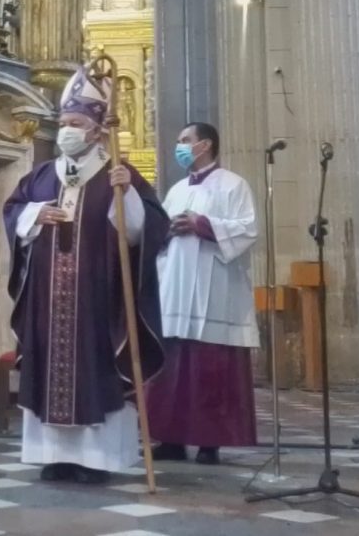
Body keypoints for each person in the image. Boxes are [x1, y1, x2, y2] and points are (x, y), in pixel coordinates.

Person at [4, 68, 168, 484]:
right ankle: (54, 456)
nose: (66, 132)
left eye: (75, 125)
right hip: (48, 296)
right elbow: (12, 211)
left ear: (97, 131)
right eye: (62, 124)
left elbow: (143, 231)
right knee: (49, 372)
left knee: (95, 370)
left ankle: (97, 460)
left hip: (98, 296)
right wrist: (35, 214)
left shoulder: (118, 174)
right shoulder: (42, 175)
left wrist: (126, 193)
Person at [147, 122, 259, 464]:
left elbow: (248, 228)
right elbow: (158, 231)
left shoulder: (234, 185)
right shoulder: (177, 189)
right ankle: (170, 440)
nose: (179, 146)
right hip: (176, 287)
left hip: (216, 289)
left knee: (211, 368)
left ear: (205, 144)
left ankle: (210, 442)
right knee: (172, 366)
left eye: (185, 140)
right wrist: (166, 229)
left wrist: (201, 224)